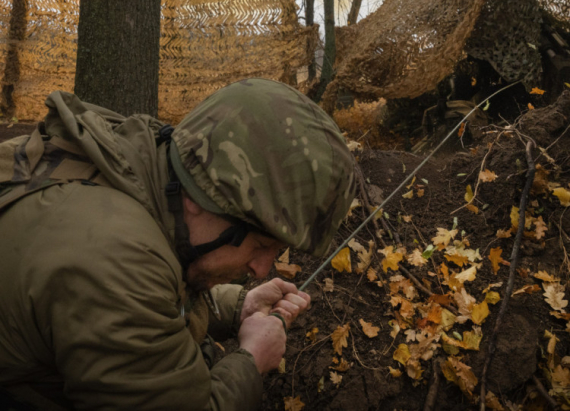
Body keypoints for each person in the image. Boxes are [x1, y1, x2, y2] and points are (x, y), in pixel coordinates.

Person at [0, 78, 356, 410]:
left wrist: (236, 308)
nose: (262, 268)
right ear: (201, 199)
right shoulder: (116, 261)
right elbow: (129, 291)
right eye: (261, 245)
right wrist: (250, 360)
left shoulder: (129, 162)